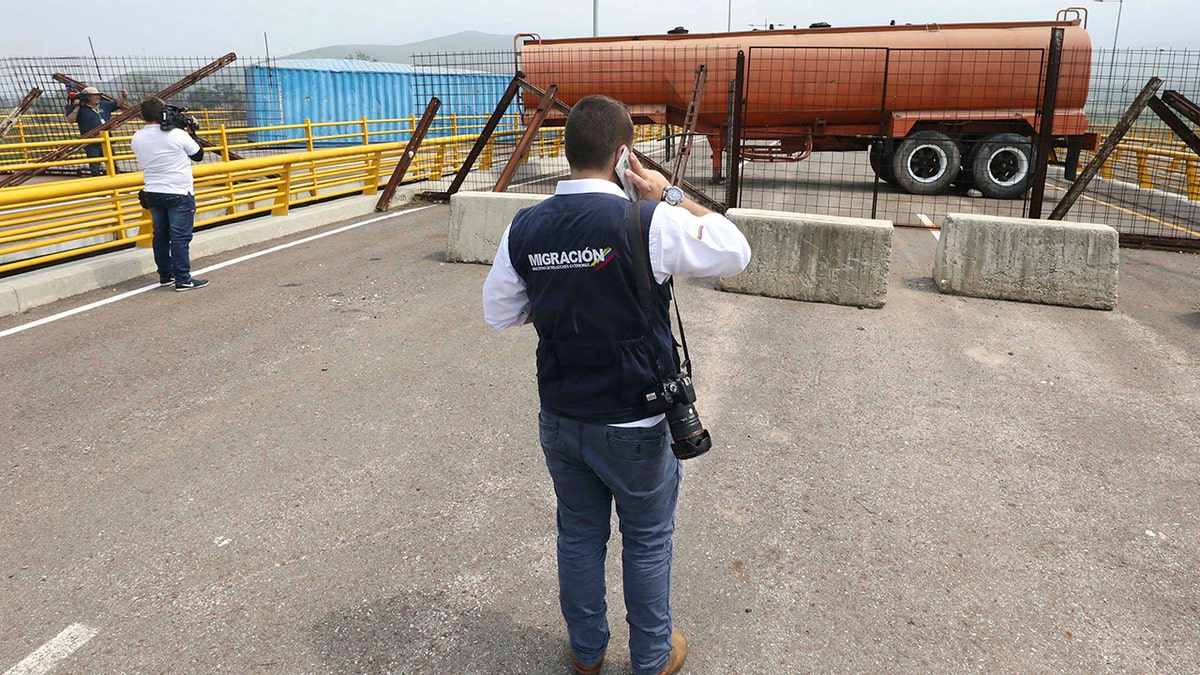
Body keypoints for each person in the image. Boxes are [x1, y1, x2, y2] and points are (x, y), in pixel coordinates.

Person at [482, 95, 750, 675]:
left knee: (579, 534)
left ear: (565, 150)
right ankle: (651, 657)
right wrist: (670, 194)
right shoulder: (647, 221)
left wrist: (560, 291)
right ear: (624, 154)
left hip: (562, 417)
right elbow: (736, 252)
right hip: (636, 420)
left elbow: (499, 311)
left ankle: (587, 653)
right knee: (647, 539)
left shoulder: (525, 224)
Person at [130, 96, 209, 291]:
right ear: (163, 113)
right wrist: (191, 131)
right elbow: (198, 155)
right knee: (180, 238)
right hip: (179, 192)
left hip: (153, 192)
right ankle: (183, 279)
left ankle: (165, 276)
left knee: (161, 237)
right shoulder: (177, 135)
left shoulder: (136, 137)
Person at [65, 85, 128, 176]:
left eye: (98, 95)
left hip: (106, 140)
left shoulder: (104, 105)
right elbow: (70, 120)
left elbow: (118, 103)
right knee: (95, 166)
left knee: (113, 164)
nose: (98, 97)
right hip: (91, 142)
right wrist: (77, 107)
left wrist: (124, 97)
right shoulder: (81, 109)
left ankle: (116, 183)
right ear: (88, 97)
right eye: (95, 95)